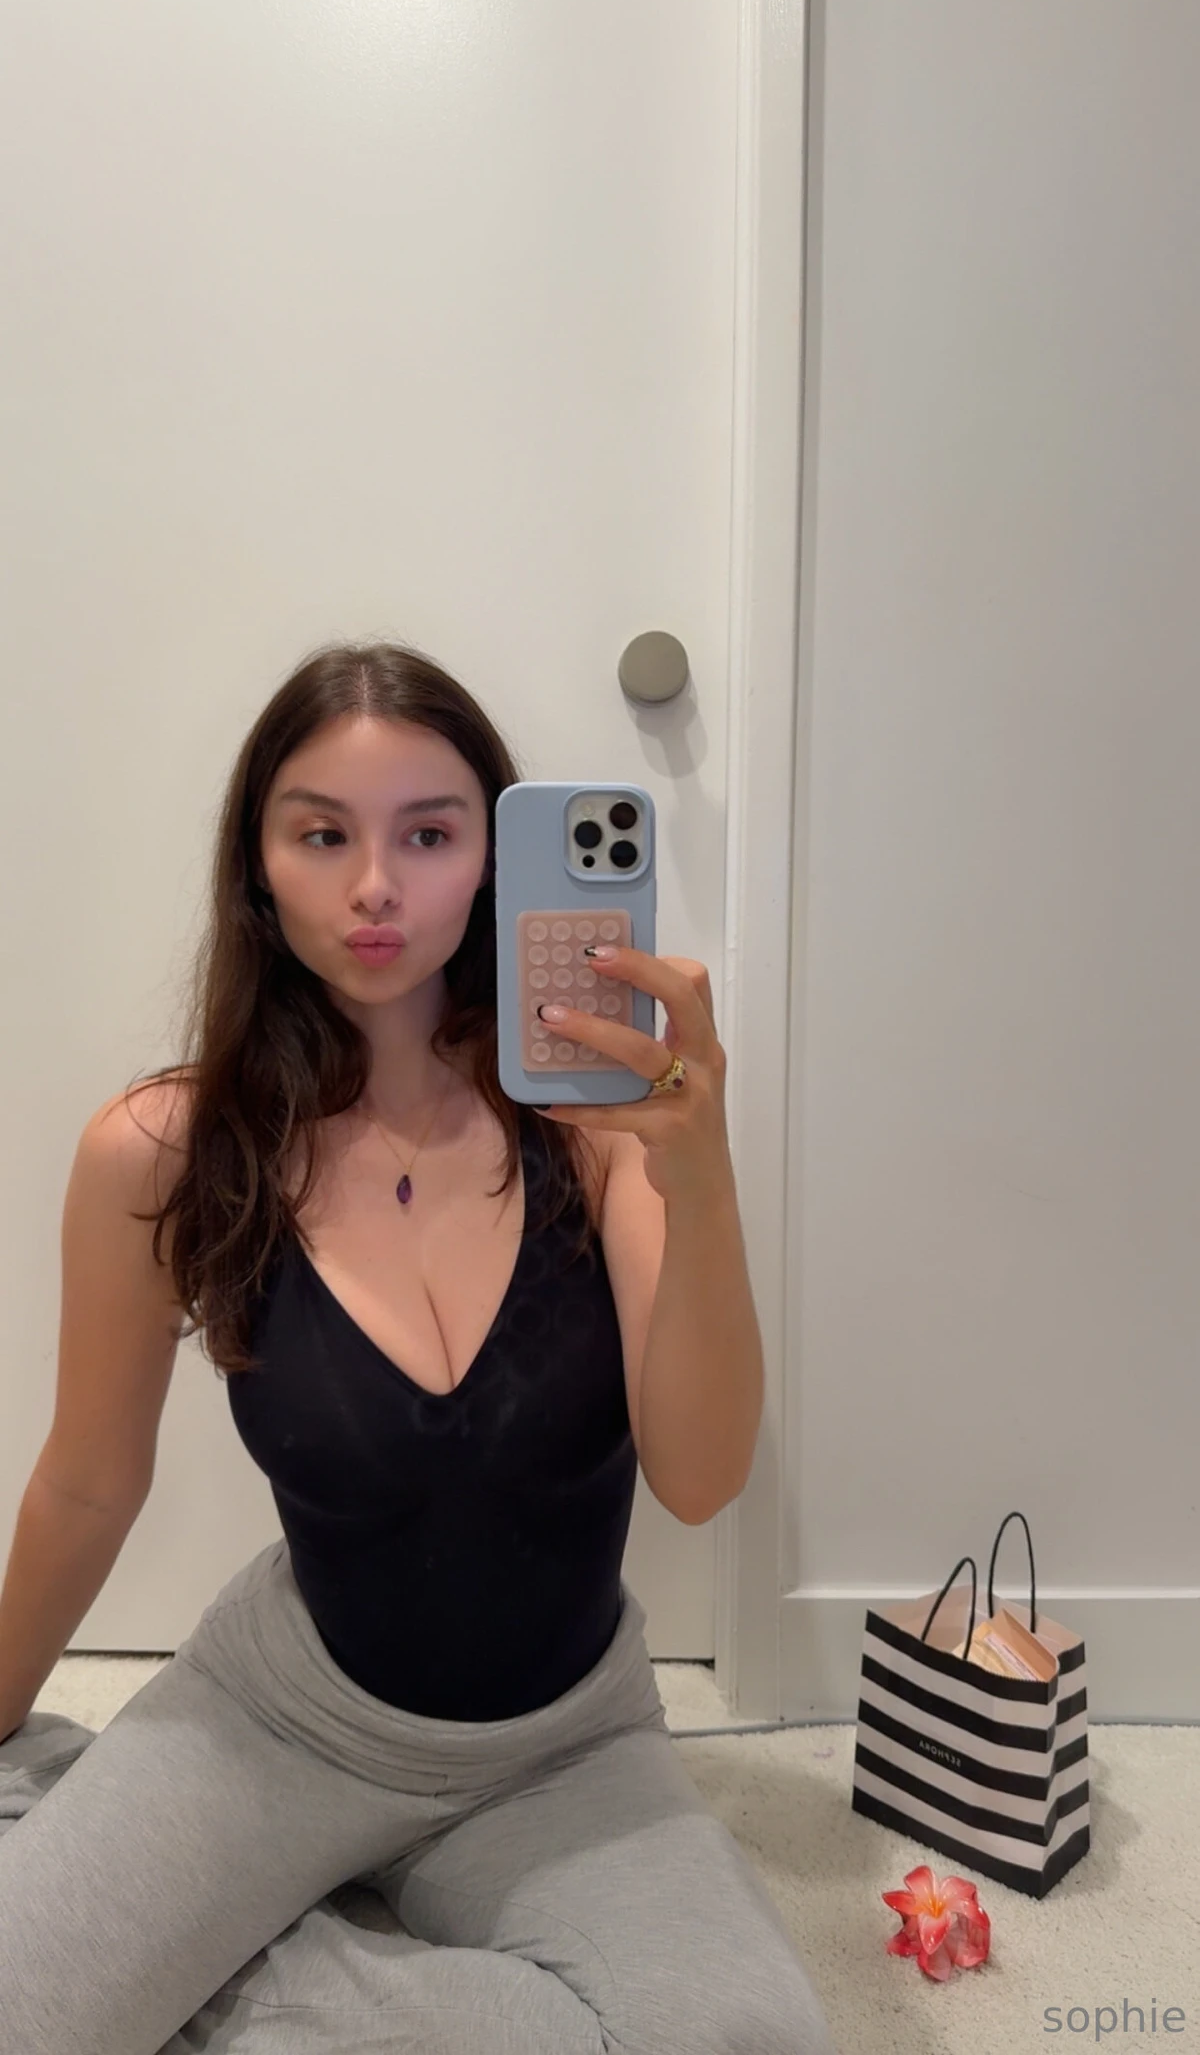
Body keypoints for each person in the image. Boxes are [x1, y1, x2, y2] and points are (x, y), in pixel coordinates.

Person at [0, 641, 837, 2054]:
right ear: (258, 865)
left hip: (561, 1747)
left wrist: (698, 1180)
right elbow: (87, 1482)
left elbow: (699, 1481)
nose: (377, 886)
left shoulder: (602, 1132)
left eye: (430, 835)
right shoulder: (162, 1148)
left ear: (494, 859)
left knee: (754, 2039)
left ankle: (250, 1967)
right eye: (324, 834)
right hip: (288, 1717)